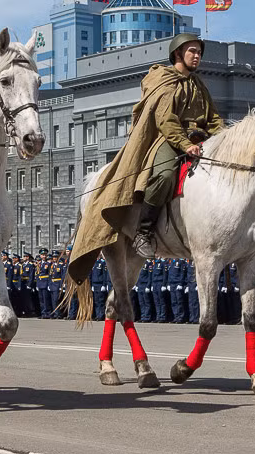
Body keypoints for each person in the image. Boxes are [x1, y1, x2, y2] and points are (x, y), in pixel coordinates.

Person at [69, 33, 224, 284]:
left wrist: (225, 138)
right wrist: (185, 144)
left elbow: (214, 118)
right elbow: (165, 119)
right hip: (170, 139)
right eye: (192, 51)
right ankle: (144, 231)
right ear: (178, 54)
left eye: (199, 52)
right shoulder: (163, 79)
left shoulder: (198, 85)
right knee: (163, 174)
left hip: (200, 139)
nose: (197, 56)